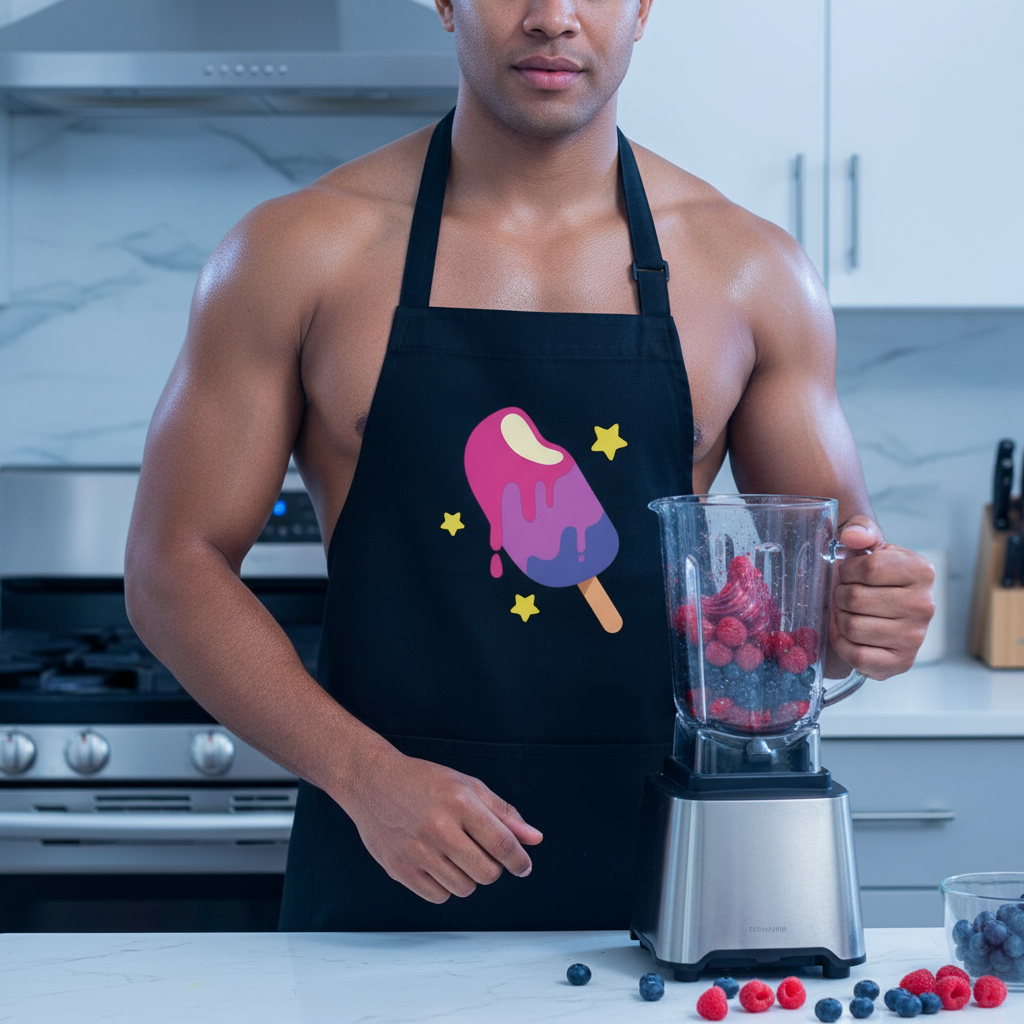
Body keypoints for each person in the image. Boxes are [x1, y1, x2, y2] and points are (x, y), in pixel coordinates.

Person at [124, 0, 934, 931]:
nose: (553, 17)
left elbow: (828, 603)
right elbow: (171, 567)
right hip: (387, 864)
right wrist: (362, 774)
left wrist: (870, 617)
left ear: (642, 9)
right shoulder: (295, 252)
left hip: (674, 871)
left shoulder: (753, 271)